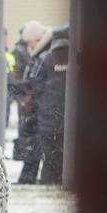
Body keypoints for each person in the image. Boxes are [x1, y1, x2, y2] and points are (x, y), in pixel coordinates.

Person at [26, 24, 70, 184]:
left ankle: (49, 182)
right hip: (73, 120)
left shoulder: (46, 58)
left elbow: (35, 87)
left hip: (49, 119)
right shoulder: (79, 57)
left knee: (50, 157)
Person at [11, 19, 47, 181]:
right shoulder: (36, 56)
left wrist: (21, 88)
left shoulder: (42, 57)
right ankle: (28, 176)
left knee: (33, 142)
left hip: (36, 107)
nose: (29, 46)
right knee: (31, 141)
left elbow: (36, 84)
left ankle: (29, 176)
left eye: (30, 43)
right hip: (32, 106)